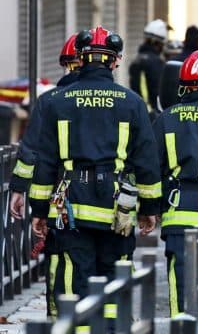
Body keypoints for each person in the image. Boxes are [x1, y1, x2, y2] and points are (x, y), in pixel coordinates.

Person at [29, 26, 161, 322]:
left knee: (73, 281)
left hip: (70, 207)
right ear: (115, 61)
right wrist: (150, 209)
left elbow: (45, 161)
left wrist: (39, 210)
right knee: (114, 278)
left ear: (81, 59)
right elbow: (147, 162)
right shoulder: (132, 103)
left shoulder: (56, 102)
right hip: (117, 208)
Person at [8, 33, 81, 316]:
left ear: (67, 65)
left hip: (60, 199)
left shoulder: (51, 101)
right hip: (105, 201)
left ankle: (59, 318)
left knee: (61, 261)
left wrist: (19, 189)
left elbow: (32, 151)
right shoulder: (120, 101)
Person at [153, 50, 198, 317]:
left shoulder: (167, 118)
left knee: (182, 291)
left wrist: (151, 209)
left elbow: (151, 169)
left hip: (178, 216)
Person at [129, 19, 168, 117]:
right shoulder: (156, 62)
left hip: (136, 110)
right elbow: (157, 90)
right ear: (157, 43)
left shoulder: (137, 59)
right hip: (151, 114)